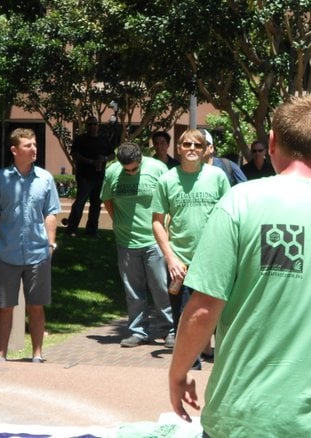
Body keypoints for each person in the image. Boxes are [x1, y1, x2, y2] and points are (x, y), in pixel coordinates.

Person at [168, 95, 311, 436]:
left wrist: (177, 375)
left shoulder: (239, 201)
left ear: (271, 142)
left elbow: (203, 309)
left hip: (242, 419)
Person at [0, 128, 61, 362]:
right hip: (7, 253)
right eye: (28, 145)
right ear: (14, 150)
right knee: (5, 306)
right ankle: (2, 355)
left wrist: (50, 245)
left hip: (38, 253)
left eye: (35, 144)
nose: (34, 149)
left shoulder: (45, 179)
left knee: (36, 306)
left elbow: (51, 214)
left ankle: (37, 354)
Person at [151, 129, 230, 364]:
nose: (192, 149)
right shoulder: (167, 180)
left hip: (212, 260)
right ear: (179, 148)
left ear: (206, 149)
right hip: (180, 262)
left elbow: (229, 215)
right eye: (187, 144)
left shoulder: (217, 177)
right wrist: (170, 258)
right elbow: (157, 222)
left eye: (197, 144)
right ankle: (189, 364)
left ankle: (208, 351)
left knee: (213, 313)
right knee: (184, 316)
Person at [101, 142, 174, 348]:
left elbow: (170, 198)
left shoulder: (158, 168)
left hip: (155, 240)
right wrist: (119, 222)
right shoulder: (112, 172)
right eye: (127, 169)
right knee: (133, 291)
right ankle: (138, 331)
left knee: (161, 288)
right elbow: (107, 199)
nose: (131, 172)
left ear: (141, 159)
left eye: (135, 168)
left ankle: (170, 329)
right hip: (126, 241)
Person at [65, 116, 115, 237]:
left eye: (94, 124)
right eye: (90, 124)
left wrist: (105, 158)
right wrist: (89, 161)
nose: (92, 126)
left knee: (96, 204)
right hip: (85, 176)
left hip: (99, 176)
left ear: (98, 125)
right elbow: (75, 154)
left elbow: (112, 154)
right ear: (86, 126)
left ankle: (92, 231)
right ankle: (71, 229)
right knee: (80, 203)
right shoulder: (80, 139)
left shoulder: (103, 140)